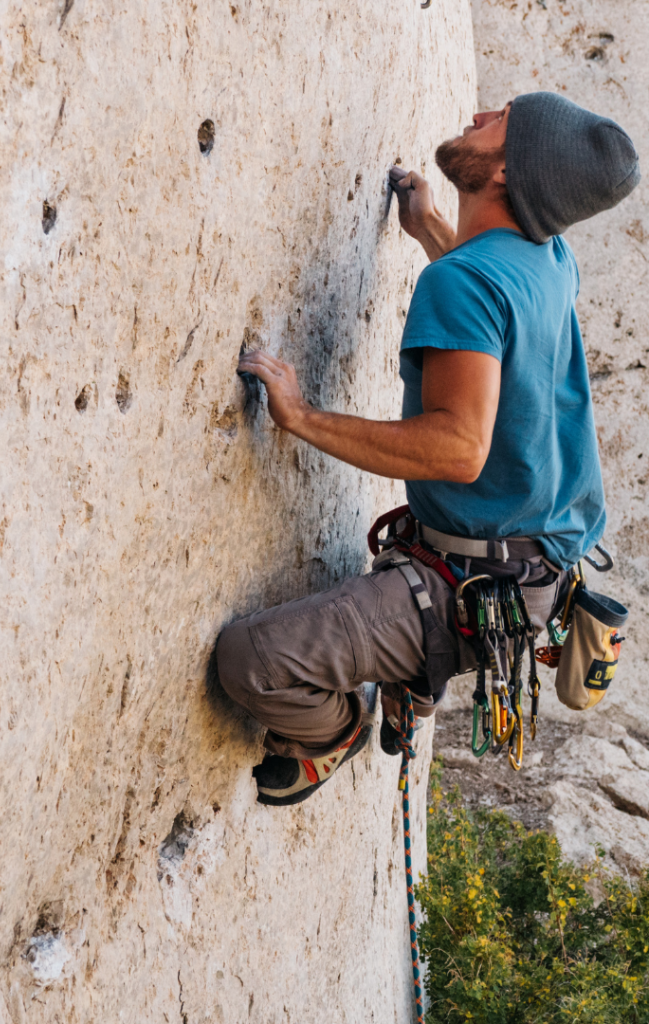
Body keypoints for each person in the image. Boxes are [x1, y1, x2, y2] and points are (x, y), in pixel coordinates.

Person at [217, 92, 641, 805]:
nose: (479, 116)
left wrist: (304, 417)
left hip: (467, 584)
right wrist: (432, 230)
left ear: (505, 172)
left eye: (499, 122)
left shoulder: (465, 283)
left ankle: (332, 733)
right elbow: (496, 311)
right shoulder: (550, 258)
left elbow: (458, 448)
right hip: (526, 567)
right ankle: (413, 676)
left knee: (251, 659)